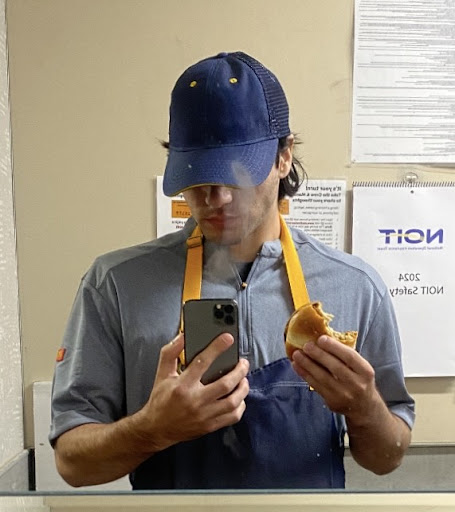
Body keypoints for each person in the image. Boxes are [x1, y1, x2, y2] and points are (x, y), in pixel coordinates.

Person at [50, 51, 415, 490]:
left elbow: (387, 459)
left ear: (283, 157)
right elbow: (72, 464)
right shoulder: (115, 284)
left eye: (237, 174)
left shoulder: (356, 287)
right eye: (198, 176)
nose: (216, 198)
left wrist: (364, 407)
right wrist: (152, 429)